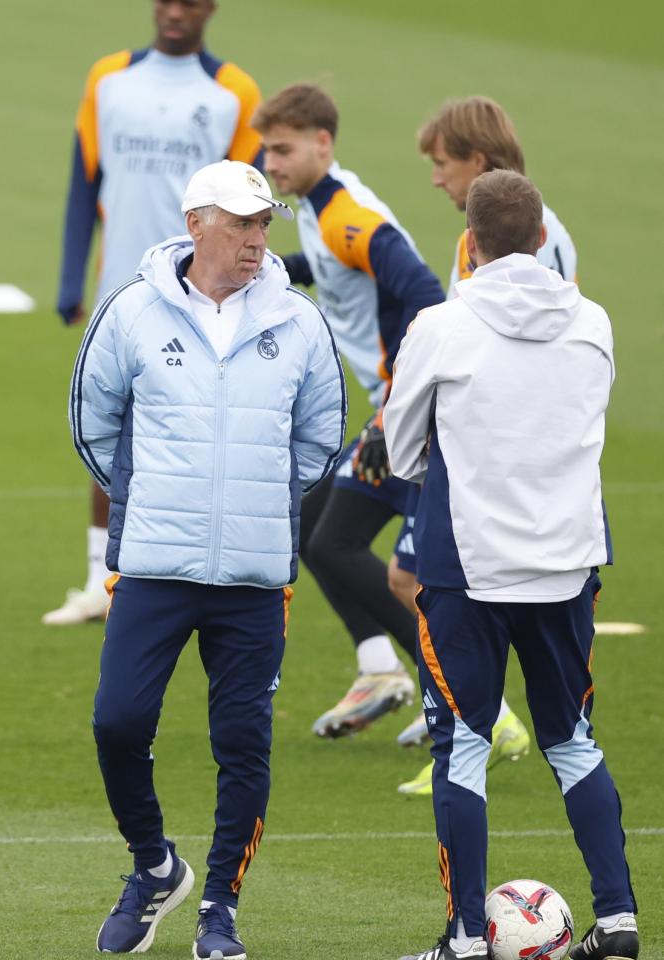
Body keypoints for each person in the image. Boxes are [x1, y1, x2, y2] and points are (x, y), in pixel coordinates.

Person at [71, 160, 344, 958]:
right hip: (154, 563)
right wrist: (153, 497)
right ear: (197, 224)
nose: (258, 237)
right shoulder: (130, 312)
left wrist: (256, 498)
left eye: (264, 223)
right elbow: (94, 425)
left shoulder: (297, 320)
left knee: (243, 744)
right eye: (241, 222)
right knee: (117, 721)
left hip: (255, 579)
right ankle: (154, 866)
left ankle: (219, 907)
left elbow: (320, 436)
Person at [386, 170, 635, 960]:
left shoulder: (441, 325)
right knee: (572, 742)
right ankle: (620, 920)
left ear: (470, 242)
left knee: (462, 747)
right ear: (540, 238)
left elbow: (401, 450)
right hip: (566, 563)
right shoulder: (592, 323)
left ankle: (463, 940)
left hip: (470, 569)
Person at [48, 0, 263, 627]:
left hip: (205, 292)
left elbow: (249, 199)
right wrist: (69, 276)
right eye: (166, 1)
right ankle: (100, 578)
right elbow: (83, 180)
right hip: (121, 288)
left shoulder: (232, 92)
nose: (175, 12)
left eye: (189, 3)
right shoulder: (107, 78)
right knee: (111, 425)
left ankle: (194, 571)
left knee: (201, 428)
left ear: (210, 9)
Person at [251, 83, 443, 741]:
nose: (270, 164)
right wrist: (273, 266)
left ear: (322, 143)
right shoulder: (316, 207)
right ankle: (380, 670)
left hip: (414, 407)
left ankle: (462, 694)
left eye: (282, 150)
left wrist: (396, 410)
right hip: (405, 404)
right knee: (309, 528)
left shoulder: (345, 215)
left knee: (334, 541)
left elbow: (424, 294)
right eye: (266, 151)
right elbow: (334, 270)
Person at [391, 95, 571, 794]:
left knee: (424, 583)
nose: (435, 178)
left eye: (443, 164)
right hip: (476, 450)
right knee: (406, 579)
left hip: (493, 463)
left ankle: (481, 730)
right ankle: (474, 724)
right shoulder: (493, 233)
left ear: (479, 162)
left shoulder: (526, 238)